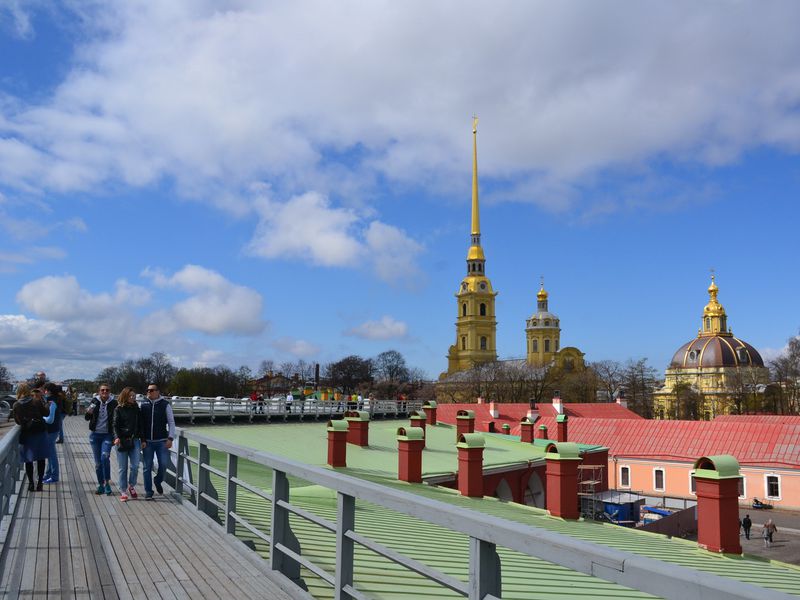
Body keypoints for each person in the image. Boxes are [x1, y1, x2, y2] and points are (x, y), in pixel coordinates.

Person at [140, 383, 175, 500]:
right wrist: (142, 439)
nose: (149, 392)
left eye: (152, 390)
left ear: (158, 392)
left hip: (161, 441)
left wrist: (170, 438)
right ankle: (148, 491)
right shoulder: (143, 404)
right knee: (146, 467)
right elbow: (140, 424)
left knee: (164, 464)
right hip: (147, 442)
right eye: (147, 390)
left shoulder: (165, 405)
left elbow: (171, 422)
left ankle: (158, 480)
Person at [12, 383, 49, 491]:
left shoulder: (16, 405)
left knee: (29, 459)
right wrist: (46, 404)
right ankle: (40, 483)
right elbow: (46, 413)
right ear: (28, 391)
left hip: (27, 433)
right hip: (40, 432)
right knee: (40, 458)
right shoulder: (36, 401)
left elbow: (18, 422)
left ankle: (31, 484)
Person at [86, 384, 117, 495]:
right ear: (99, 391)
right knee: (98, 463)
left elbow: (117, 419)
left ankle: (107, 483)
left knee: (104, 458)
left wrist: (116, 436)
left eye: (107, 390)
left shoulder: (114, 403)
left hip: (107, 435)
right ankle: (101, 485)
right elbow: (87, 418)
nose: (104, 392)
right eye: (102, 390)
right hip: (95, 436)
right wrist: (88, 412)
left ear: (109, 392)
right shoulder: (95, 401)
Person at [113, 387, 142, 502]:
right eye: (130, 396)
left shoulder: (137, 409)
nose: (133, 398)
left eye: (134, 396)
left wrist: (143, 439)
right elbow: (114, 425)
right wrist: (116, 437)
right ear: (125, 396)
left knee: (135, 466)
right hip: (121, 440)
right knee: (122, 468)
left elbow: (141, 425)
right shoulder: (118, 409)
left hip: (134, 440)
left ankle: (131, 485)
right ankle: (123, 491)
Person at [42, 383, 62, 483]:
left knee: (51, 455)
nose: (43, 391)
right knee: (50, 453)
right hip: (53, 430)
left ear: (48, 391)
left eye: (45, 390)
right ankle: (48, 474)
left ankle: (54, 476)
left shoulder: (51, 402)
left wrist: (40, 418)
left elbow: (50, 419)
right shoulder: (54, 399)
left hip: (51, 430)